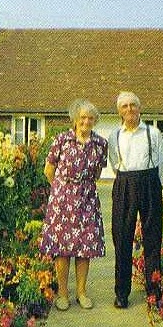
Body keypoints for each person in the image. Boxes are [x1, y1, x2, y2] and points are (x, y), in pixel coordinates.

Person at [39, 99, 108, 310]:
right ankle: (62, 294)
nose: (86, 121)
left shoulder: (100, 144)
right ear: (75, 119)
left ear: (95, 121)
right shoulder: (62, 140)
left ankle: (81, 292)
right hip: (62, 201)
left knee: (84, 247)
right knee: (62, 248)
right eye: (83, 118)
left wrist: (82, 189)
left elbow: (97, 173)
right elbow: (48, 170)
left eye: (90, 118)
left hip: (87, 200)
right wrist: (61, 190)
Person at [107, 91, 163, 308]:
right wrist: (127, 181)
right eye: (125, 106)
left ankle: (154, 291)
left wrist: (153, 184)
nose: (129, 109)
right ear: (119, 111)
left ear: (139, 108)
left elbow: (161, 163)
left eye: (133, 105)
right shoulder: (114, 136)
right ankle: (121, 293)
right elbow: (115, 163)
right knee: (122, 238)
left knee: (153, 238)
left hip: (150, 182)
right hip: (125, 184)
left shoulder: (153, 133)